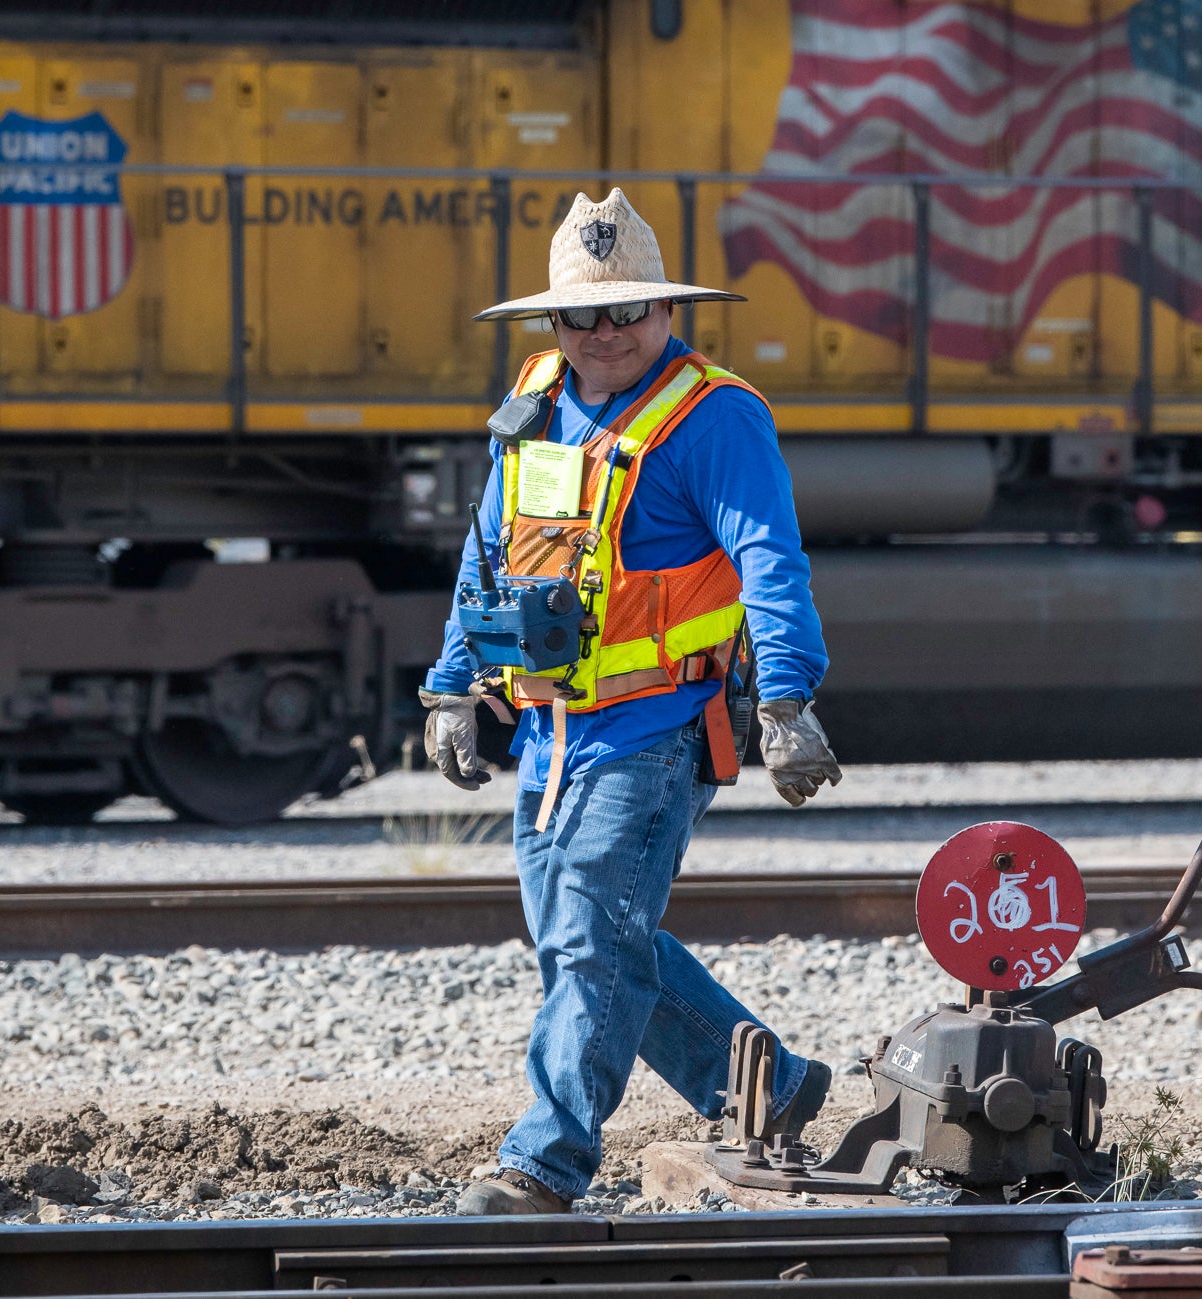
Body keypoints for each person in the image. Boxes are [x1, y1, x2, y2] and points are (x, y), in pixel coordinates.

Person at [419, 188, 844, 1216]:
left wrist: (786, 699)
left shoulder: (716, 417)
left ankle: (541, 1163)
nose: (604, 333)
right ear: (553, 322)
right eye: (581, 314)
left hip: (655, 730)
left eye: (626, 311)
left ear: (665, 313)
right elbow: (486, 556)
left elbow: (768, 561)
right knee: (598, 942)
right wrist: (447, 686)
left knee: (587, 941)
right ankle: (769, 1089)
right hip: (550, 733)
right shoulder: (534, 401)